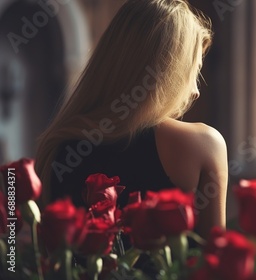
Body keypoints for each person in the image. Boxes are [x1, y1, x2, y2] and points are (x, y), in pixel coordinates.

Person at [34, 0, 227, 239]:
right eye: (192, 72)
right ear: (169, 72)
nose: (196, 91)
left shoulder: (57, 148)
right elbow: (217, 261)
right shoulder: (205, 144)